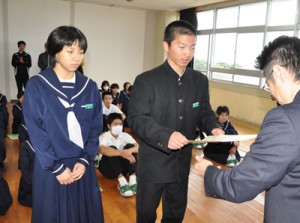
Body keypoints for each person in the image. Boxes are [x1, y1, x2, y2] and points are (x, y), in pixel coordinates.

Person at [195, 36, 300, 223]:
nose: (272, 96)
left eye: (268, 85)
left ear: (280, 73)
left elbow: (242, 184)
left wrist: (209, 171)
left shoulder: (285, 119)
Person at [127, 20, 223, 223]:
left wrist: (213, 127)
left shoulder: (199, 81)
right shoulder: (146, 80)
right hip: (153, 163)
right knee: (145, 215)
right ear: (166, 46)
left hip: (181, 164)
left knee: (175, 214)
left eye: (193, 47)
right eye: (181, 46)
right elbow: (136, 118)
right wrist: (165, 135)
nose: (188, 53)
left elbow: (204, 111)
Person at [23, 25, 104, 222]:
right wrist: (56, 167)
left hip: (80, 167)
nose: (77, 57)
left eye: (81, 52)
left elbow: (95, 128)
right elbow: (36, 131)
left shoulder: (90, 87)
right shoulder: (37, 85)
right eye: (70, 51)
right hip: (50, 167)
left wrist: (85, 160)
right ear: (55, 53)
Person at [97, 113, 138, 197]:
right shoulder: (104, 136)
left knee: (131, 147)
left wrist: (129, 151)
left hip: (122, 168)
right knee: (112, 148)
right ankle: (122, 182)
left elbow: (138, 147)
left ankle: (132, 180)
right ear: (109, 126)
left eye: (120, 124)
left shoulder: (125, 135)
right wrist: (121, 153)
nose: (119, 126)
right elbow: (102, 149)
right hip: (107, 168)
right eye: (115, 124)